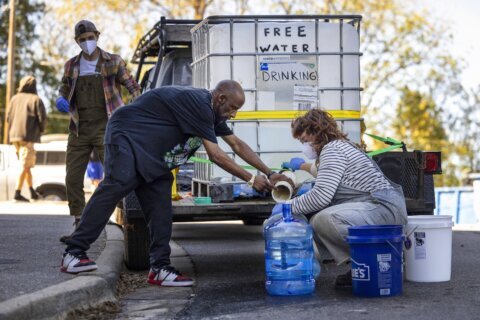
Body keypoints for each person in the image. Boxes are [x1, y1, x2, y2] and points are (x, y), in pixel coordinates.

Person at [61, 80, 292, 286]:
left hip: (153, 154)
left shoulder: (213, 113)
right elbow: (216, 155)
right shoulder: (200, 104)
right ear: (220, 98)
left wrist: (269, 173)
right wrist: (251, 179)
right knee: (117, 185)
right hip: (127, 136)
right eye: (232, 108)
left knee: (160, 207)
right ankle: (74, 252)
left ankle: (160, 268)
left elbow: (237, 145)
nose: (233, 114)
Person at [281, 109, 407, 287]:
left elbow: (320, 197)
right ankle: (362, 266)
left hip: (381, 208)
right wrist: (301, 165)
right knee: (319, 218)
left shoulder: (332, 150)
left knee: (325, 220)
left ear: (316, 131)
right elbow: (323, 171)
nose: (304, 147)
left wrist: (287, 206)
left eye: (304, 140)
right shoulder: (339, 146)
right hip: (380, 208)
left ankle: (379, 260)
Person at [56, 20, 141, 242]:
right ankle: (79, 224)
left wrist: (135, 109)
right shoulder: (71, 65)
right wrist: (60, 98)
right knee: (72, 178)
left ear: (97, 35)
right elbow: (64, 88)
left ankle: (126, 221)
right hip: (79, 128)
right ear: (77, 41)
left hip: (108, 127)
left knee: (117, 175)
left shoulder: (113, 62)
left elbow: (133, 87)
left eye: (90, 37)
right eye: (82, 39)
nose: (87, 42)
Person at [7, 75, 47, 202]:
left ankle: (32, 192)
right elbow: (42, 119)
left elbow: (8, 117)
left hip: (14, 137)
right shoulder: (36, 99)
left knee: (26, 165)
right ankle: (17, 193)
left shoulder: (14, 99)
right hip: (28, 136)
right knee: (24, 165)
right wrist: (40, 130)